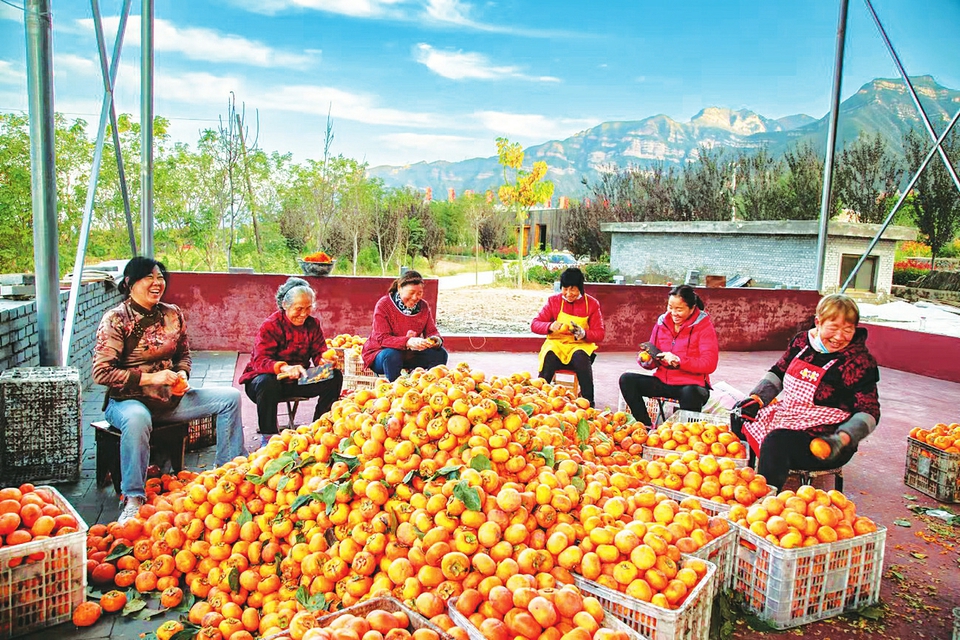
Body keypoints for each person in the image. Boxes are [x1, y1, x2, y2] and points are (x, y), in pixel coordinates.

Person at [93, 257, 246, 524]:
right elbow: (102, 373)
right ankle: (133, 498)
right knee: (138, 418)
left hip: (170, 401)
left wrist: (182, 377)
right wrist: (149, 378)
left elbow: (183, 355)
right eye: (148, 277)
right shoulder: (116, 319)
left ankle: (227, 473)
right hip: (128, 402)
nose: (157, 283)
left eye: (160, 277)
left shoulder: (172, 314)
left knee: (230, 398)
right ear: (129, 283)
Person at [731, 293, 880, 490]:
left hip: (826, 438)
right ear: (818, 322)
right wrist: (757, 399)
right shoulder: (802, 342)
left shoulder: (859, 362)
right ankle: (746, 478)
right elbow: (779, 371)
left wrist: (842, 438)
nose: (839, 337)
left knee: (778, 442)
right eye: (833, 328)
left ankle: (764, 500)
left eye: (848, 330)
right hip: (790, 416)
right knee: (738, 413)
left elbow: (869, 411)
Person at [239, 278, 344, 440]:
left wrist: (323, 360)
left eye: (308, 308)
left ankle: (318, 429)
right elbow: (260, 361)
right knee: (268, 381)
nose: (303, 314)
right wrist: (284, 368)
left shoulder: (312, 324)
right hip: (265, 383)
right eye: (299, 308)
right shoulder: (271, 325)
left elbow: (318, 351)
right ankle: (269, 438)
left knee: (334, 375)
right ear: (285, 305)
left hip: (298, 380)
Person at [619, 285, 718, 426]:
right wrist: (646, 360)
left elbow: (709, 363)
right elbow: (653, 354)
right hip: (663, 381)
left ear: (692, 308)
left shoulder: (704, 326)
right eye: (670, 307)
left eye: (679, 309)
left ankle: (685, 433)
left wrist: (679, 361)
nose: (673, 313)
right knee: (627, 379)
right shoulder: (662, 323)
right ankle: (645, 426)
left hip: (691, 385)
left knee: (691, 393)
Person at [531, 268, 605, 407]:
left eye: (573, 290)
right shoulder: (554, 301)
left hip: (579, 346)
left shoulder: (592, 304)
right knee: (549, 355)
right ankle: (538, 399)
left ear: (580, 289)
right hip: (556, 345)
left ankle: (588, 402)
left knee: (581, 356)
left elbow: (600, 333)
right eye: (565, 289)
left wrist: (584, 333)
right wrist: (550, 326)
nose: (568, 294)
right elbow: (535, 324)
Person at [361, 270, 448, 381]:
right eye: (411, 293)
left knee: (440, 354)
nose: (415, 297)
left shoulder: (423, 306)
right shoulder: (384, 305)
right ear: (399, 288)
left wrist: (434, 340)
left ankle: (429, 385)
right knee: (392, 355)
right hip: (381, 354)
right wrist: (407, 341)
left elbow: (431, 331)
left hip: (409, 354)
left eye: (419, 293)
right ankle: (397, 391)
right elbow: (382, 338)